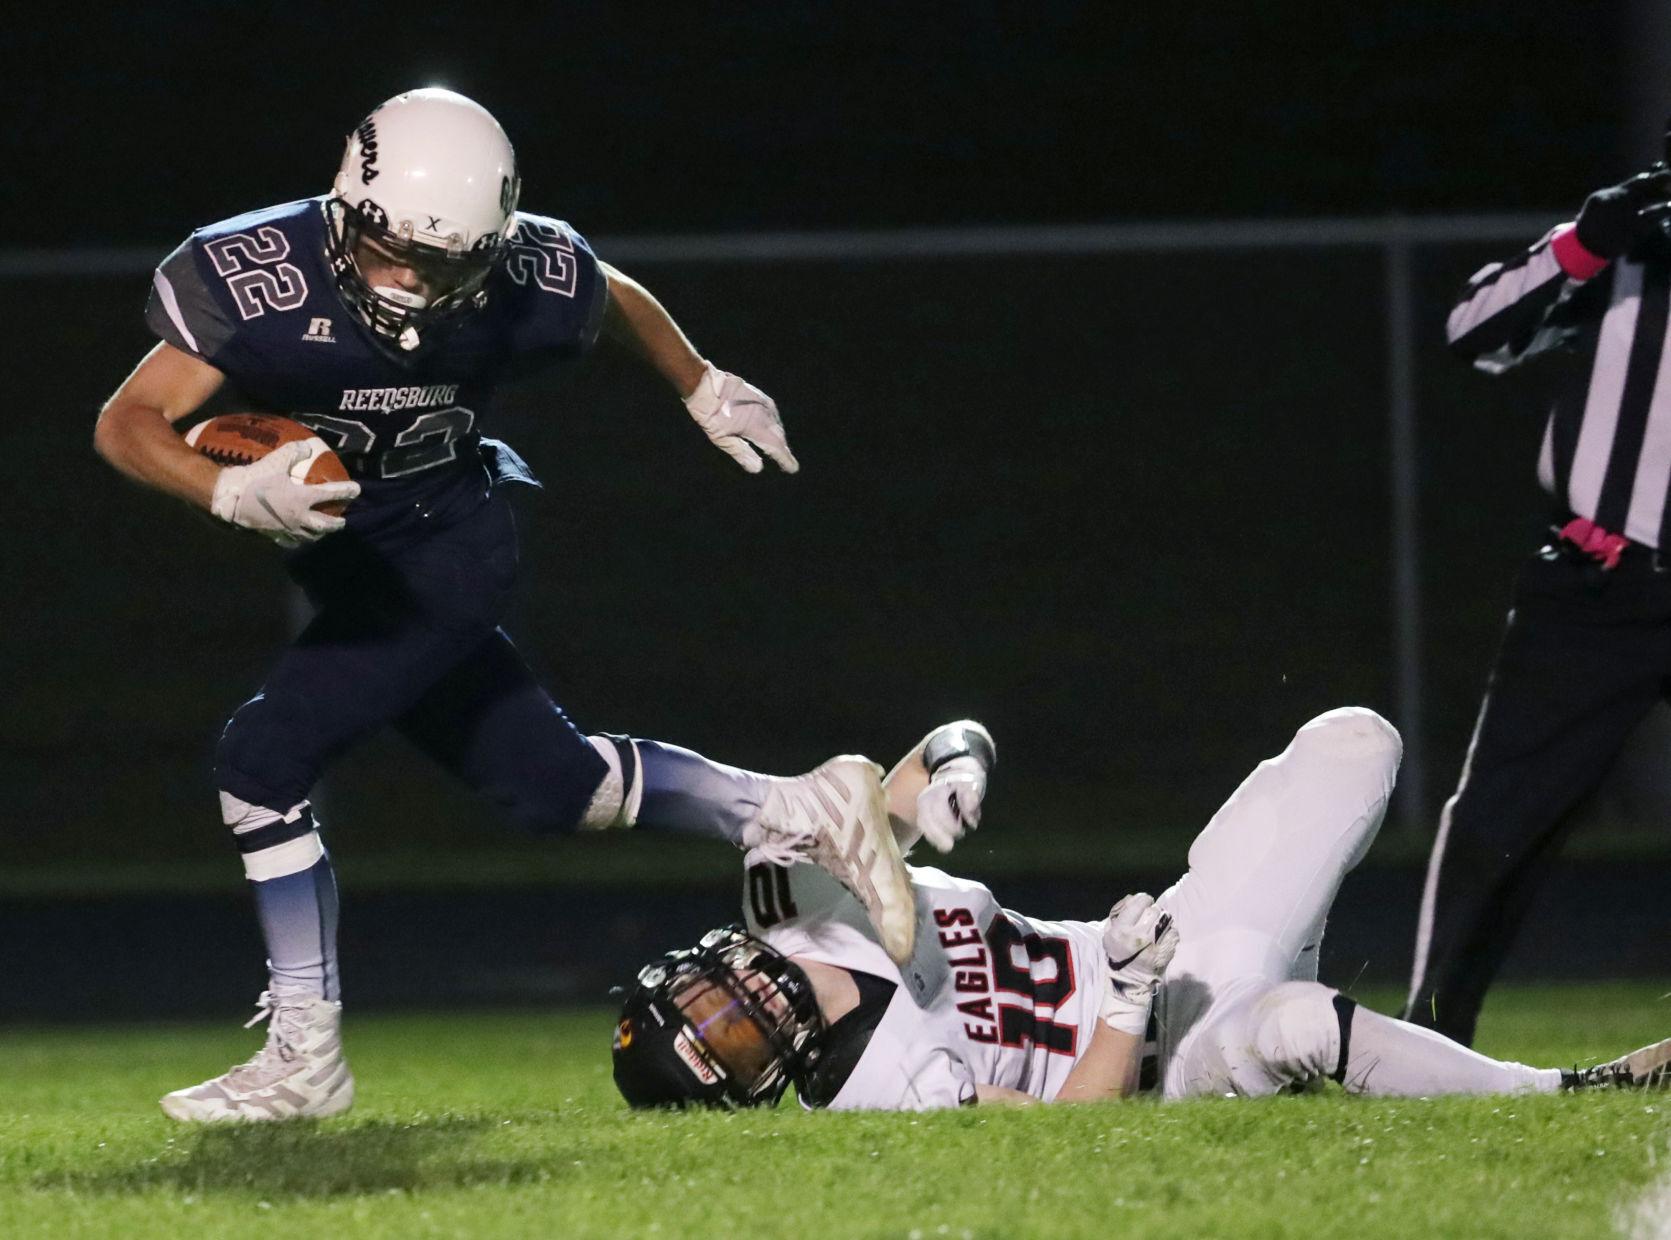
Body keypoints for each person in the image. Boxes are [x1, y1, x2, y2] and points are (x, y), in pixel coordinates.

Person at [92, 87, 914, 1123]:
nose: (412, 282)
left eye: (443, 265)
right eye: (394, 253)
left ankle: (305, 1055)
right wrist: (221, 489)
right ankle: (797, 809)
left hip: (448, 557)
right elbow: (127, 419)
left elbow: (608, 294)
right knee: (556, 785)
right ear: (348, 207)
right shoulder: (259, 275)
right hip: (355, 568)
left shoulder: (521, 272)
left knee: (260, 763)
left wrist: (699, 383)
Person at [612, 710, 1671, 1109]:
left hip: (1179, 943)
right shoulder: (867, 1090)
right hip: (1164, 1051)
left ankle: (1360, 1040)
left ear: (694, 963)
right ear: (754, 1085)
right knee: (1293, 1024)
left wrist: (951, 775)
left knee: (1356, 741)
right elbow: (1074, 1128)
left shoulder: (789, 890)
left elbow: (944, 741)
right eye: (730, 1043)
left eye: (707, 1002)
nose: (743, 1006)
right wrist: (1122, 996)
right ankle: (1565, 1088)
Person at [1404, 157, 1671, 1046]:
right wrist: (1583, 245)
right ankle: (1428, 1041)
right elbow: (1473, 331)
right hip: (1598, 582)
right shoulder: (1633, 241)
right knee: (1500, 819)